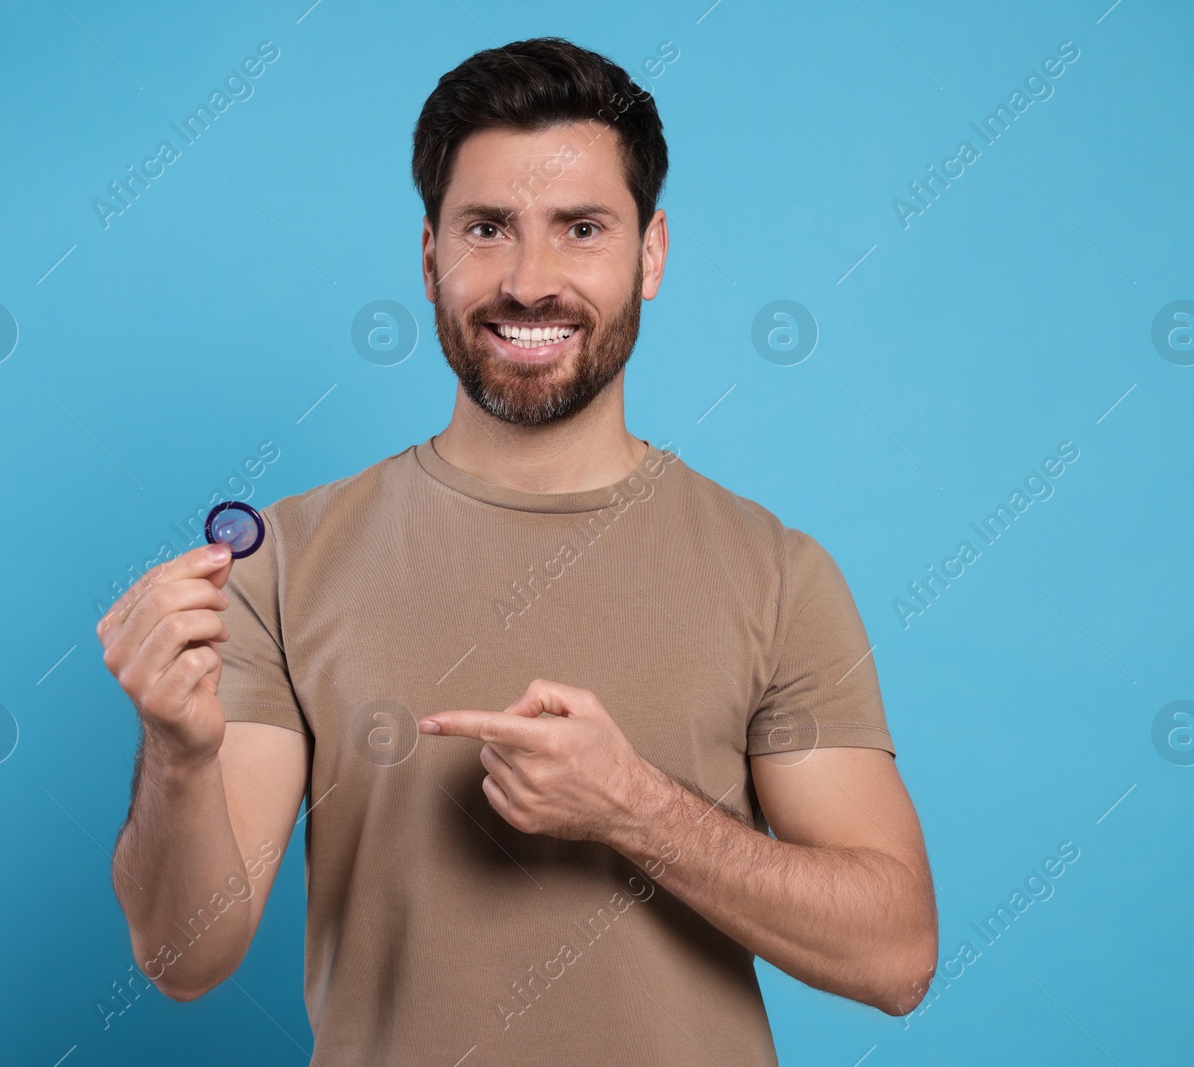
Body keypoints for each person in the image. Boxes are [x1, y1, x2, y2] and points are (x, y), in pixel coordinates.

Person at [97, 35, 937, 1065]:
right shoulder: (284, 565)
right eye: (487, 228)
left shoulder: (776, 572)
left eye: (580, 228)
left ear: (651, 252)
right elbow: (185, 956)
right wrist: (177, 753)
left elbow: (895, 955)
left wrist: (637, 810)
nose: (530, 281)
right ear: (429, 256)